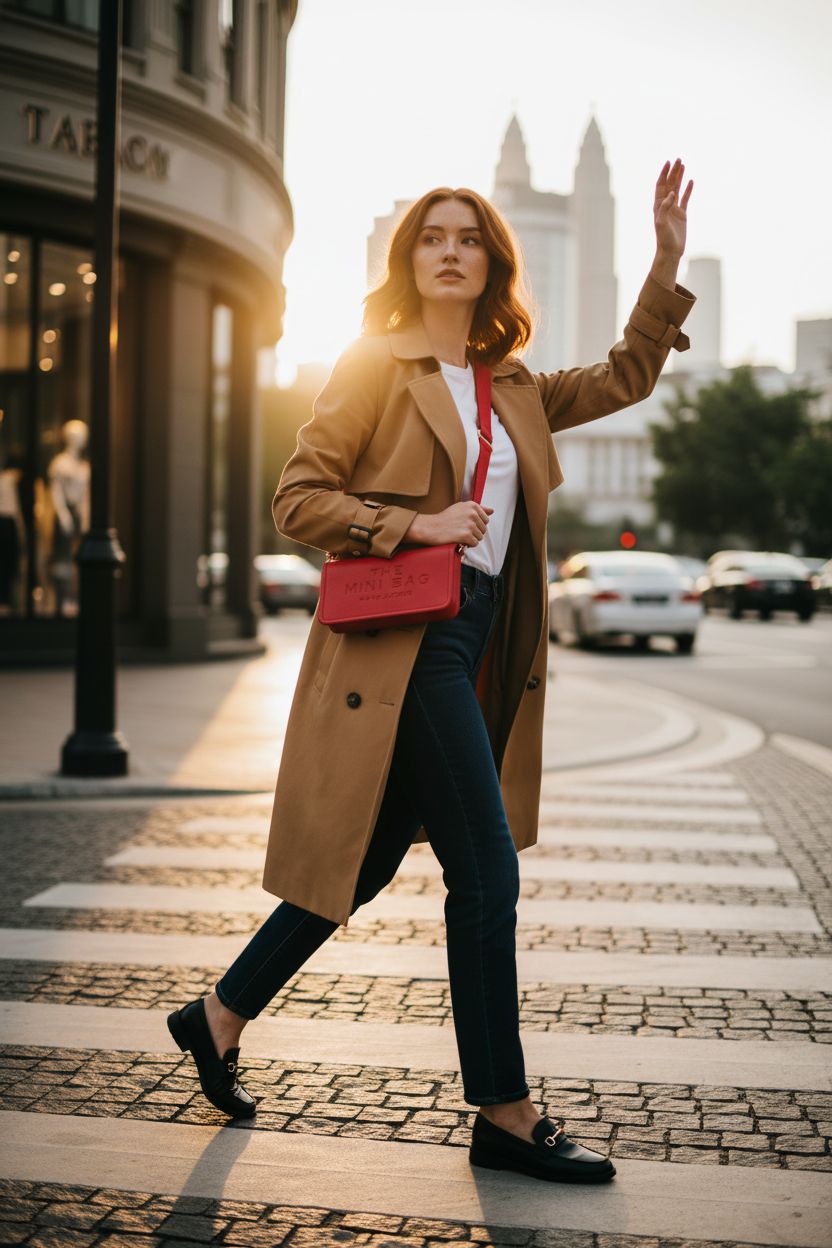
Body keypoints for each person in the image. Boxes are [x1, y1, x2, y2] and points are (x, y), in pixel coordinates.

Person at [168, 159, 695, 1185]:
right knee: (485, 871)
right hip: (408, 644)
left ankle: (218, 1015)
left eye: (468, 238)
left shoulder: (516, 387)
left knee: (362, 863)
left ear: (493, 264)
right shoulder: (376, 364)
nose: (450, 252)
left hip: (480, 640)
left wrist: (665, 260)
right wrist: (414, 524)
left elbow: (628, 373)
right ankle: (504, 1111)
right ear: (409, 261)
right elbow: (298, 499)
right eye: (432, 238)